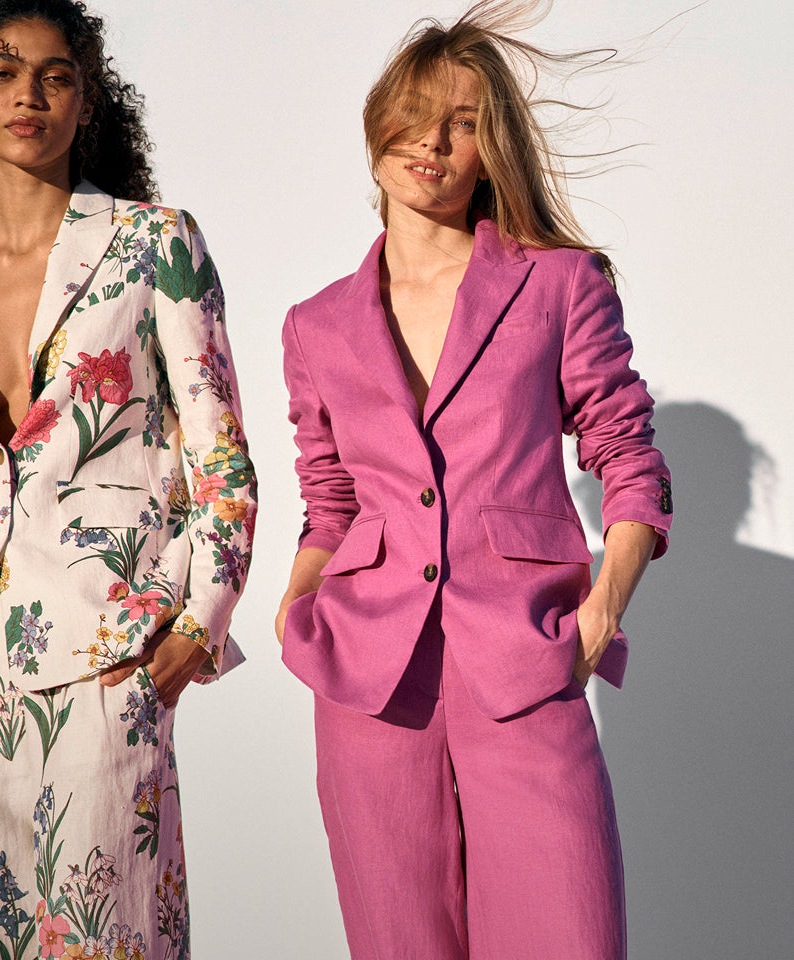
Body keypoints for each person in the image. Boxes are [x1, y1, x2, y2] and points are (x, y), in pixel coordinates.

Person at [0, 2, 255, 957]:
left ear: (87, 100)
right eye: (2, 70)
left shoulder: (157, 245)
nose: (28, 91)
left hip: (106, 653)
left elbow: (221, 461)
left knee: (113, 941)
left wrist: (198, 625)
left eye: (56, 74)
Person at [275, 3, 671, 958]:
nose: (435, 142)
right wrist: (298, 602)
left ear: (490, 152)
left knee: (568, 936)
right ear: (377, 134)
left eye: (464, 123)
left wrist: (603, 606)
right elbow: (328, 497)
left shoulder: (560, 285)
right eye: (417, 116)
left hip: (525, 662)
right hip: (371, 683)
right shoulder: (316, 324)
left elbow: (627, 457)